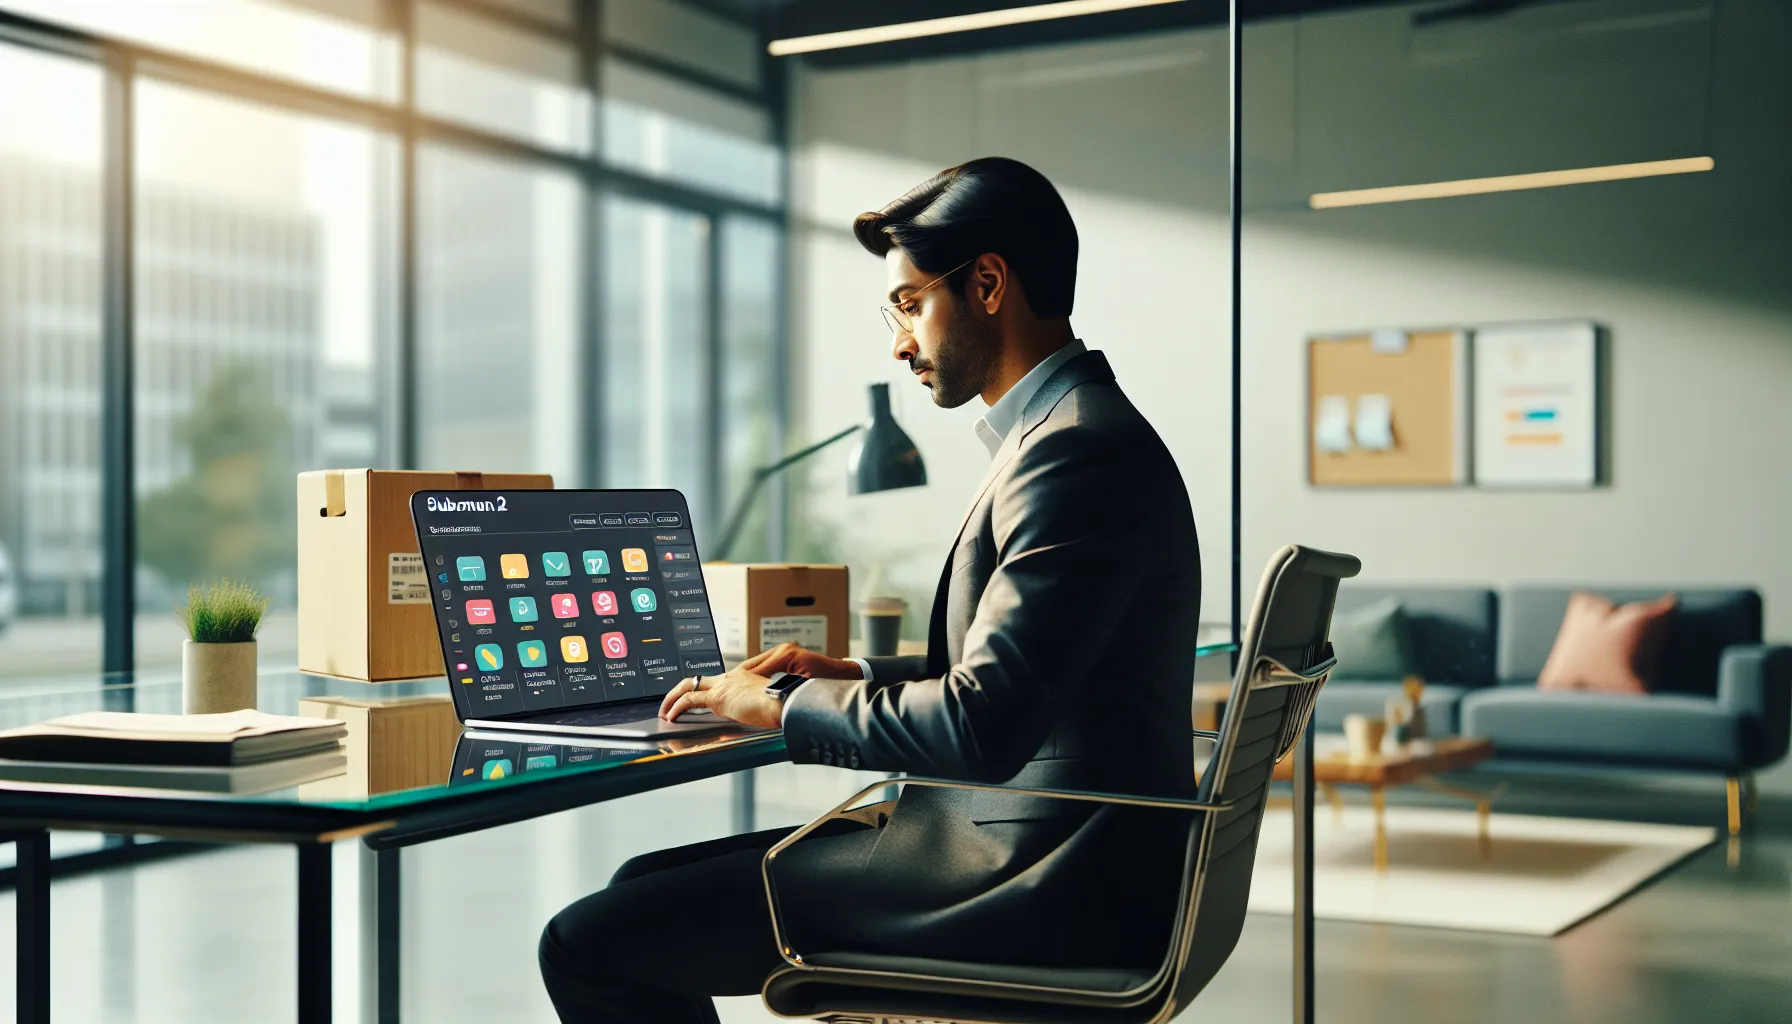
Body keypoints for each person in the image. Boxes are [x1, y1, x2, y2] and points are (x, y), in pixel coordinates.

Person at [538, 156, 1202, 1024]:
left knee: (584, 944)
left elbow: (980, 725)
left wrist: (780, 708)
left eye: (908, 303)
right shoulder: (1071, 433)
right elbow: (1020, 680)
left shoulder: (1073, 453)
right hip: (1044, 848)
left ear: (990, 283)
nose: (898, 343)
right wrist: (850, 673)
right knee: (642, 889)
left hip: (1030, 881)